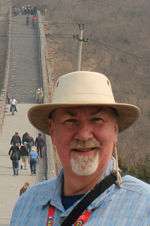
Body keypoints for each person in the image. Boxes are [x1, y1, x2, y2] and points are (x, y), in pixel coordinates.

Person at [10, 71, 150, 225]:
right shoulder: (25, 207)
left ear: (115, 129)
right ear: (52, 130)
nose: (84, 135)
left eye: (97, 119)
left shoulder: (144, 209)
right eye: (70, 120)